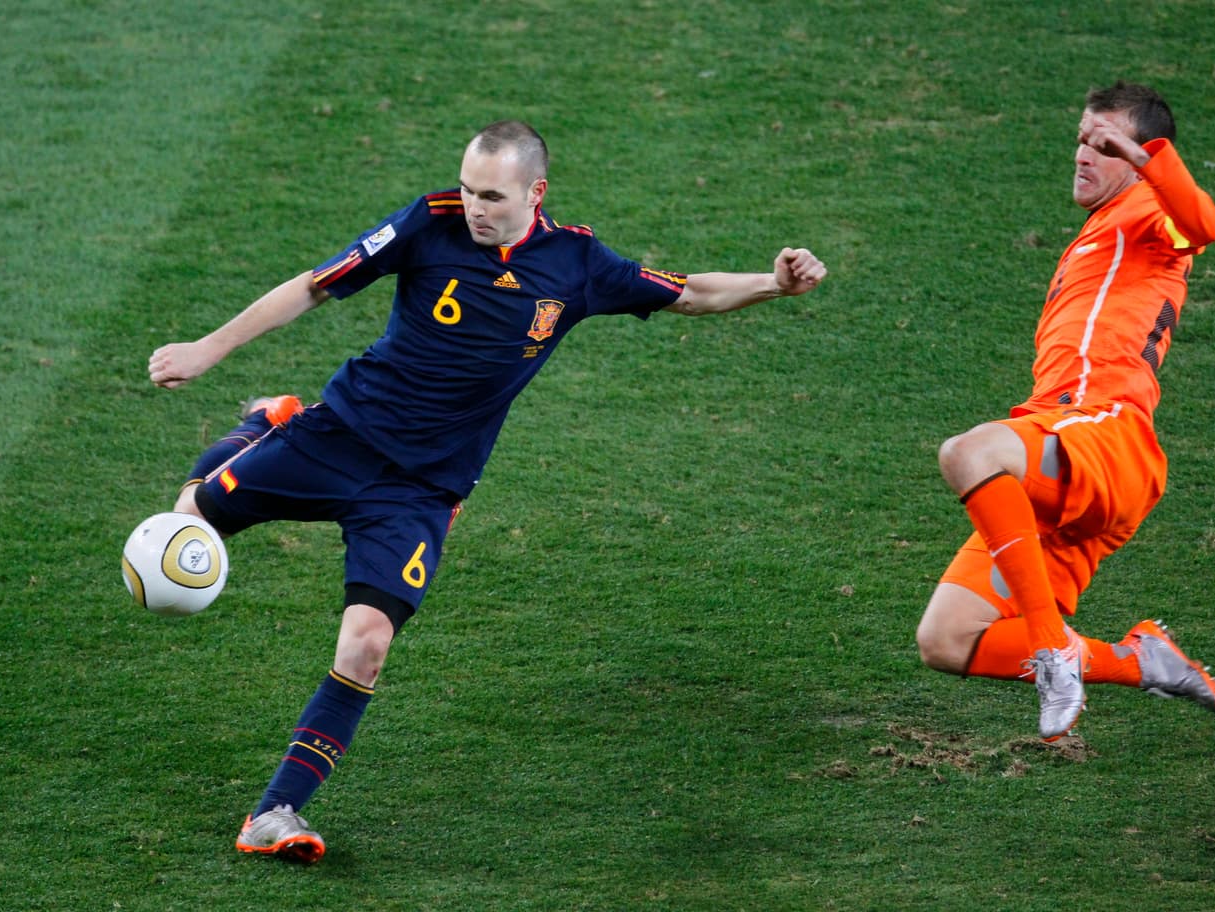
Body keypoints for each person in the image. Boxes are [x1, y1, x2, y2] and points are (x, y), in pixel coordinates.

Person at [146, 120, 827, 863]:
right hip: (337, 435)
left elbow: (690, 293)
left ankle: (274, 814)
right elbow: (314, 288)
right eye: (468, 189)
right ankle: (263, 427)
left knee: (367, 644)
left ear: (536, 193)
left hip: (420, 490)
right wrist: (209, 348)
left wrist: (775, 284)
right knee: (186, 523)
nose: (473, 206)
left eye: (492, 196)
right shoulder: (427, 222)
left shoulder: (576, 265)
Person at [915, 82, 1215, 741]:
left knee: (969, 452)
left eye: (1103, 143)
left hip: (1107, 435)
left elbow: (1205, 225)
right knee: (946, 638)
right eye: (1082, 140)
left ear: (1140, 154)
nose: (1084, 154)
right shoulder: (1098, 231)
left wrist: (1147, 162)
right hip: (1064, 461)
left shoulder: (1148, 212)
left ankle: (1054, 652)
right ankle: (1138, 661)